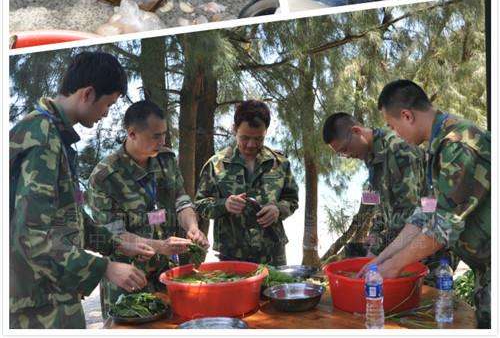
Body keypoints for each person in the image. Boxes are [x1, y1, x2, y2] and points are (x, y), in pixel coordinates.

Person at [10, 52, 157, 329]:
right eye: (108, 104)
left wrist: (115, 244)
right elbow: (32, 237)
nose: (107, 114)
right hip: (37, 306)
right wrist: (105, 268)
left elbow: (68, 218)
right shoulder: (42, 137)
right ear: (88, 94)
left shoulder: (54, 134)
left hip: (52, 294)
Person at [367, 79, 490, 328]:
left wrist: (394, 267)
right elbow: (425, 212)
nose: (395, 134)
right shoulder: (437, 148)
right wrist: (381, 259)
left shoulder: (457, 144)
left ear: (407, 116)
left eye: (393, 126)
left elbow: (443, 227)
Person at [87, 100, 209, 318]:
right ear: (132, 134)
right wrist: (160, 246)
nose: (162, 141)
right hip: (128, 279)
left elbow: (181, 199)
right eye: (156, 136)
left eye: (164, 134)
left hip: (167, 274)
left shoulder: (166, 160)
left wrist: (192, 227)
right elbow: (112, 234)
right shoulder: (105, 176)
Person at [195, 100, 299, 265]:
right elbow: (200, 204)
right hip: (232, 256)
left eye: (258, 139)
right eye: (245, 138)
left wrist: (278, 210)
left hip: (272, 255)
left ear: (265, 132)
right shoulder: (216, 165)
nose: (251, 145)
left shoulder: (280, 163)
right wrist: (224, 205)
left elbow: (292, 200)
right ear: (234, 129)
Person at [322, 112, 424, 255]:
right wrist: (375, 234)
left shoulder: (398, 149)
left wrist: (377, 248)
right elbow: (381, 207)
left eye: (345, 149)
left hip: (426, 244)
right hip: (401, 242)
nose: (348, 156)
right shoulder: (371, 159)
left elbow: (410, 212)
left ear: (356, 131)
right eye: (342, 154)